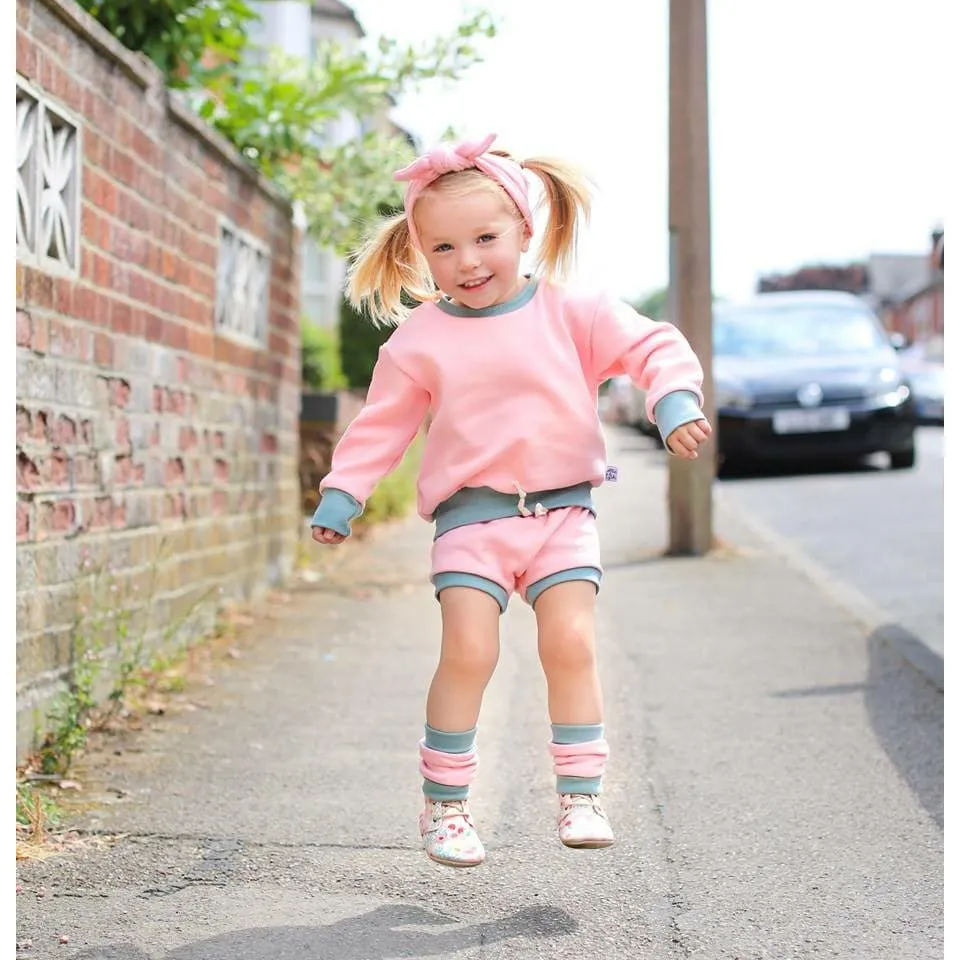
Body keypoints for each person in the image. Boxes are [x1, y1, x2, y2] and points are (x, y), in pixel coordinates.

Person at [310, 133, 712, 868]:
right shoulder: (419, 340)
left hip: (563, 515)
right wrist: (344, 493)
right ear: (417, 252)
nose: (467, 262)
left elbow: (654, 347)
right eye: (442, 248)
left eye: (486, 238)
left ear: (526, 230)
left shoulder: (574, 312)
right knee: (468, 650)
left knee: (571, 644)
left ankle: (582, 793)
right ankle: (445, 809)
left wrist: (675, 402)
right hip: (472, 518)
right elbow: (381, 426)